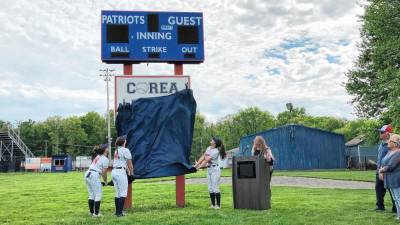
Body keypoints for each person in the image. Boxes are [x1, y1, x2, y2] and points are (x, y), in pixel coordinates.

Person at [194, 137, 226, 209]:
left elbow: (206, 160)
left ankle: (218, 205)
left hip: (215, 169)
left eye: (212, 140)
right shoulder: (208, 148)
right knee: (210, 188)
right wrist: (196, 165)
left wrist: (199, 168)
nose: (211, 140)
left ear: (214, 143)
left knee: (215, 188)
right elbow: (203, 157)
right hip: (209, 169)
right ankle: (212, 204)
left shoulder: (216, 151)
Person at [374, 124, 396, 212]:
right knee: (378, 189)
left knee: (392, 190)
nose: (380, 133)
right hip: (379, 170)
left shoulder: (392, 144)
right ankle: (380, 207)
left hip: (388, 171)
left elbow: (393, 158)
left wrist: (383, 170)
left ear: (387, 133)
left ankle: (396, 208)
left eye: (381, 132)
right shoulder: (381, 144)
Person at [379, 134, 400, 219]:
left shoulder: (398, 153)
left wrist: (382, 170)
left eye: (390, 141)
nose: (388, 142)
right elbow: (384, 163)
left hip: (396, 178)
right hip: (389, 178)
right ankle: (399, 215)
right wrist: (381, 169)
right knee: (395, 198)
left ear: (395, 143)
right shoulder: (389, 151)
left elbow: (391, 166)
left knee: (398, 197)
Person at [111, 135, 134, 217]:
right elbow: (129, 163)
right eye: (125, 139)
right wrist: (131, 173)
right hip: (120, 172)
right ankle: (119, 213)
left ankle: (117, 212)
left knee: (117, 193)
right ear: (124, 142)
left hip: (114, 171)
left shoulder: (116, 150)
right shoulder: (125, 150)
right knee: (123, 193)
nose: (126, 140)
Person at [84, 144, 109, 217]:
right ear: (105, 150)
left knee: (91, 194)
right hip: (94, 175)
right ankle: (96, 214)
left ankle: (91, 212)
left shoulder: (98, 156)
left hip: (88, 173)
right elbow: (104, 173)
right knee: (98, 194)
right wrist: (105, 181)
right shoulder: (105, 159)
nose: (108, 148)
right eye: (107, 147)